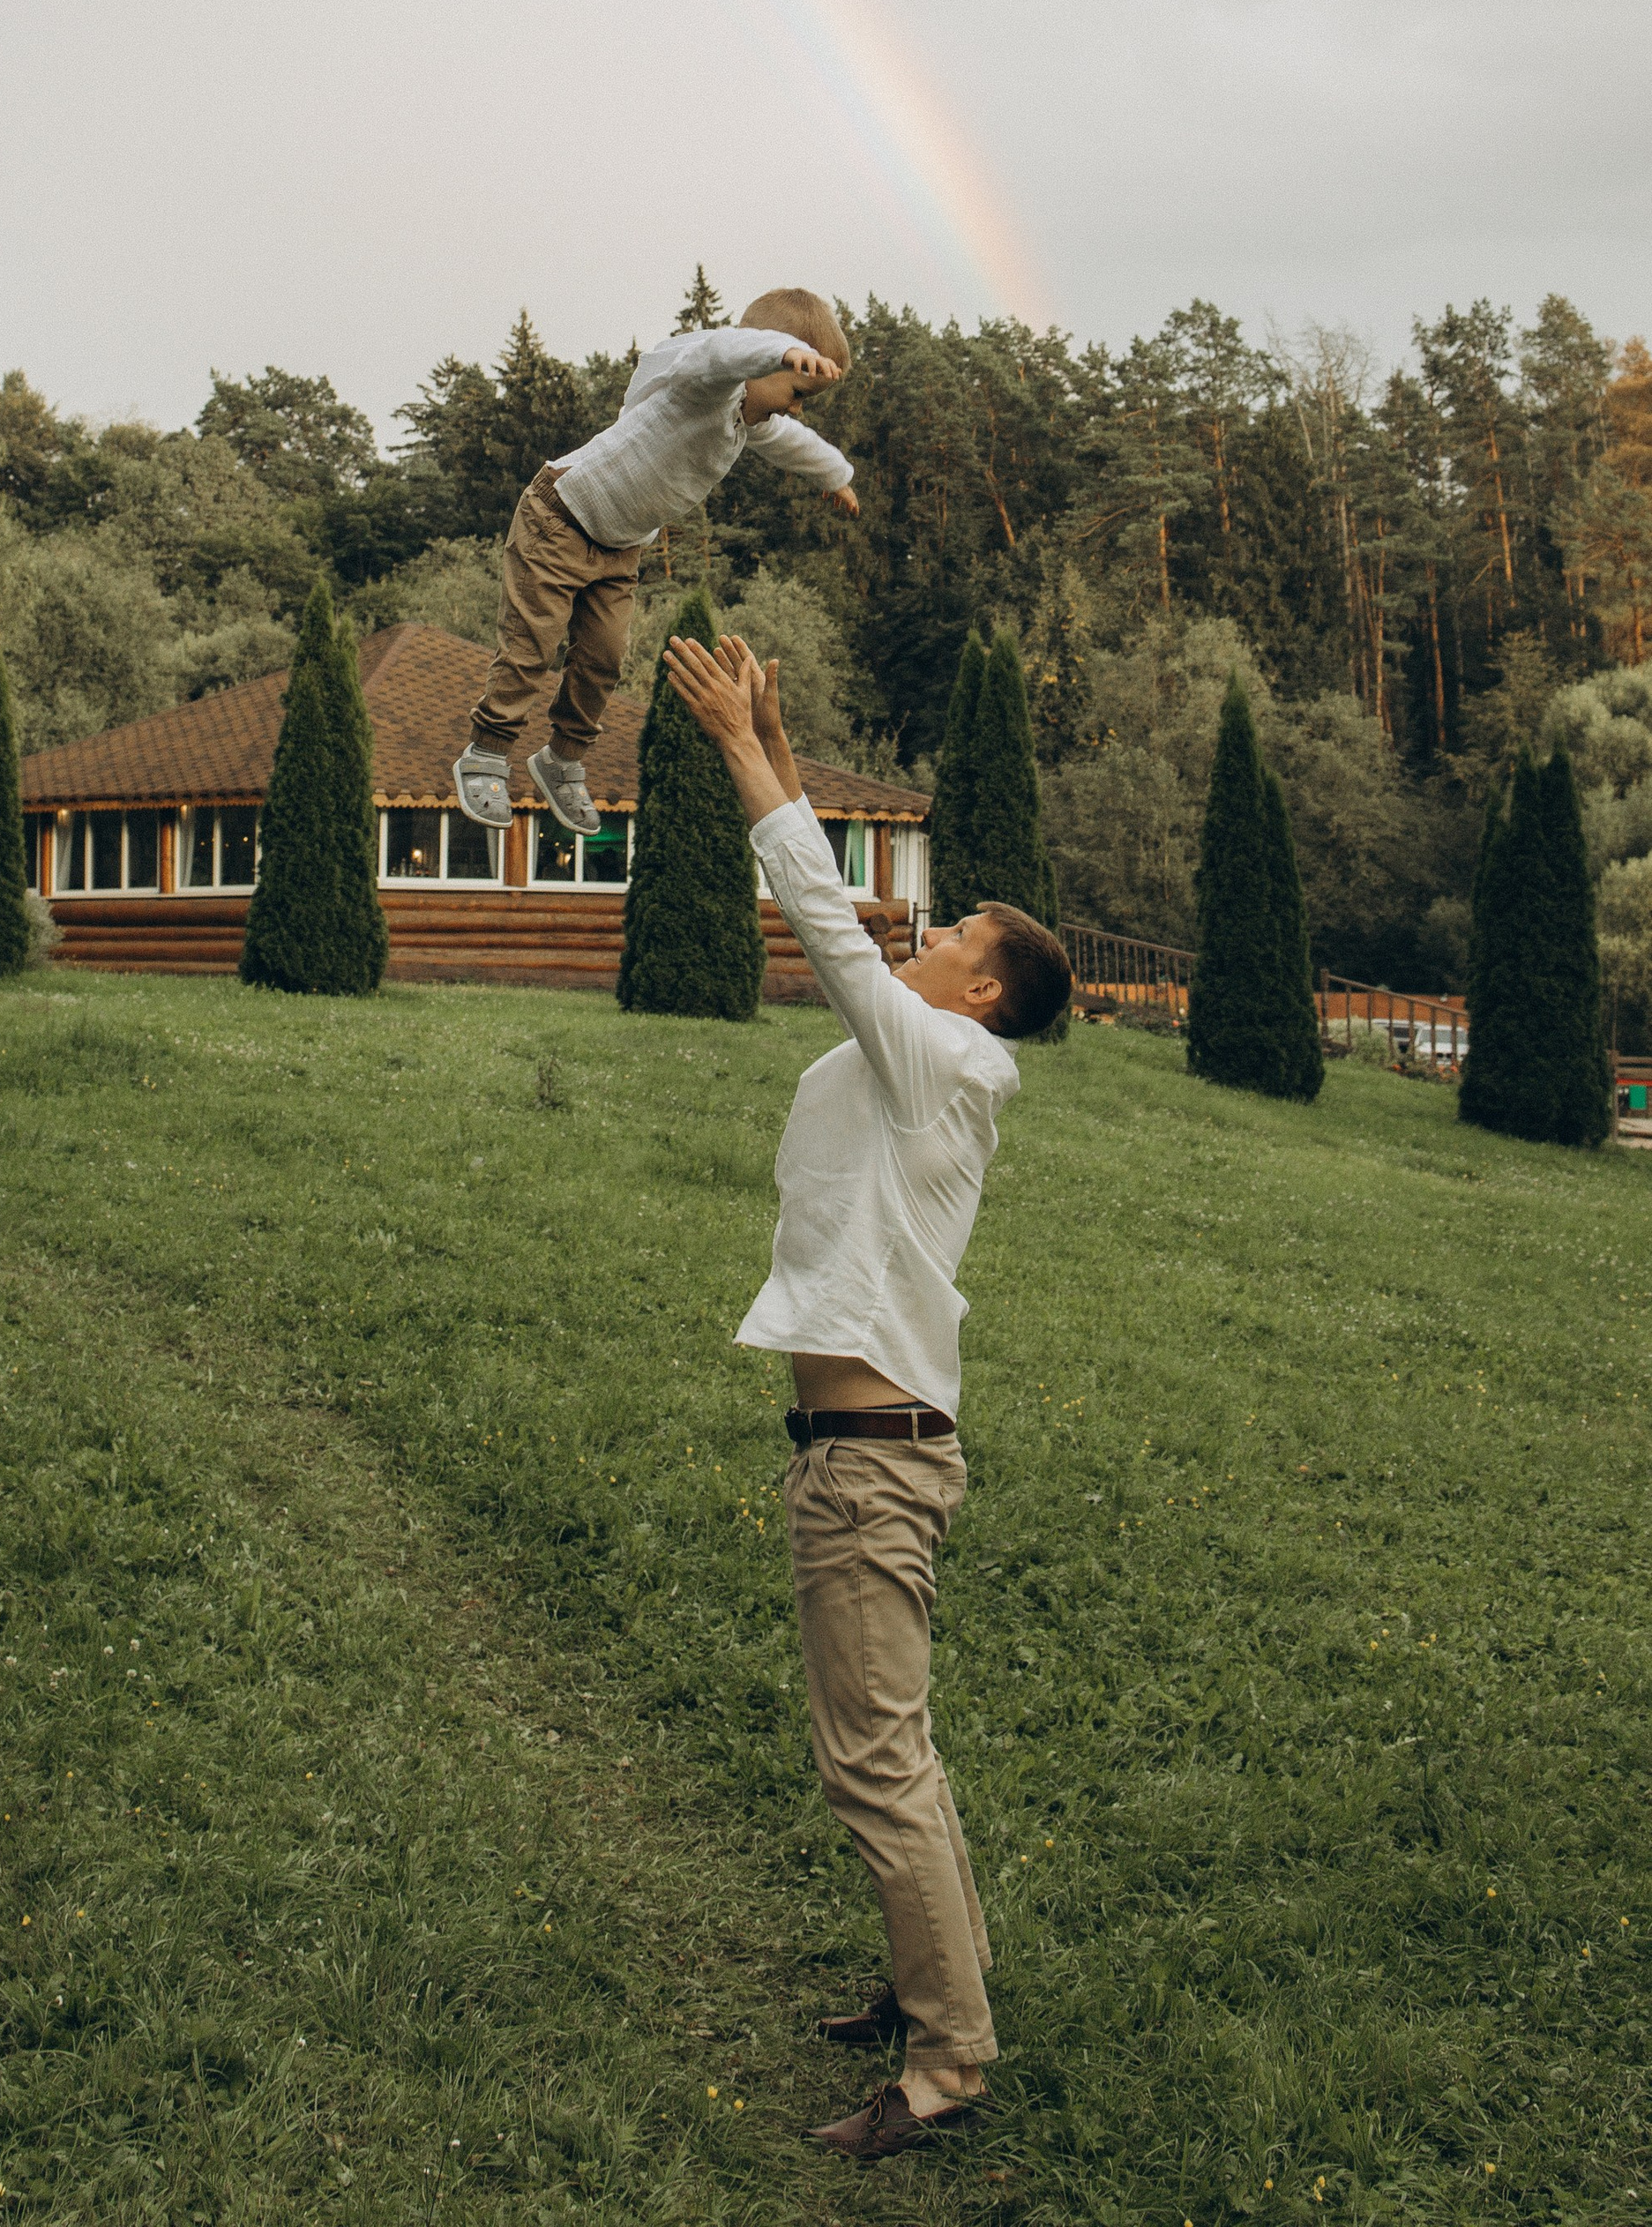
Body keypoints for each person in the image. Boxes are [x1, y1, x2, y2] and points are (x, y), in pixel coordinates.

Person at [661, 631, 1071, 2162]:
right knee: (892, 1750)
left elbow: (828, 922)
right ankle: (926, 1997)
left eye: (953, 927)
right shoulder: (906, 1061)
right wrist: (783, 733)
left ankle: (947, 2067)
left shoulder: (957, 1069)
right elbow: (851, 933)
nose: (926, 930)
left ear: (981, 988)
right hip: (858, 1449)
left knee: (875, 1760)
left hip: (876, 1463)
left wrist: (741, 756)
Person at [452, 289, 859, 840]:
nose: (795, 404)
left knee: (604, 659)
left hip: (620, 548)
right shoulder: (704, 385)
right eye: (797, 389)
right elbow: (718, 352)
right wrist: (781, 350)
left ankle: (562, 759)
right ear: (764, 361)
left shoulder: (753, 423)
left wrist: (836, 475)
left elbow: (794, 442)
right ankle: (487, 751)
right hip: (558, 517)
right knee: (533, 645)